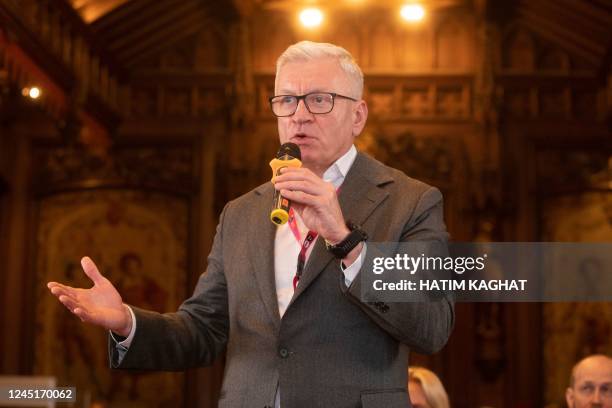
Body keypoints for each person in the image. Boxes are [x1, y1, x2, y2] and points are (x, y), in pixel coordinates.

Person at [48, 41, 454, 408]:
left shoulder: (410, 201)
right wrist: (126, 322)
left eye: (319, 100)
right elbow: (204, 330)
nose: (300, 115)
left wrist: (346, 241)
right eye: (286, 100)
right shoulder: (241, 212)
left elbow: (431, 326)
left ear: (358, 115)